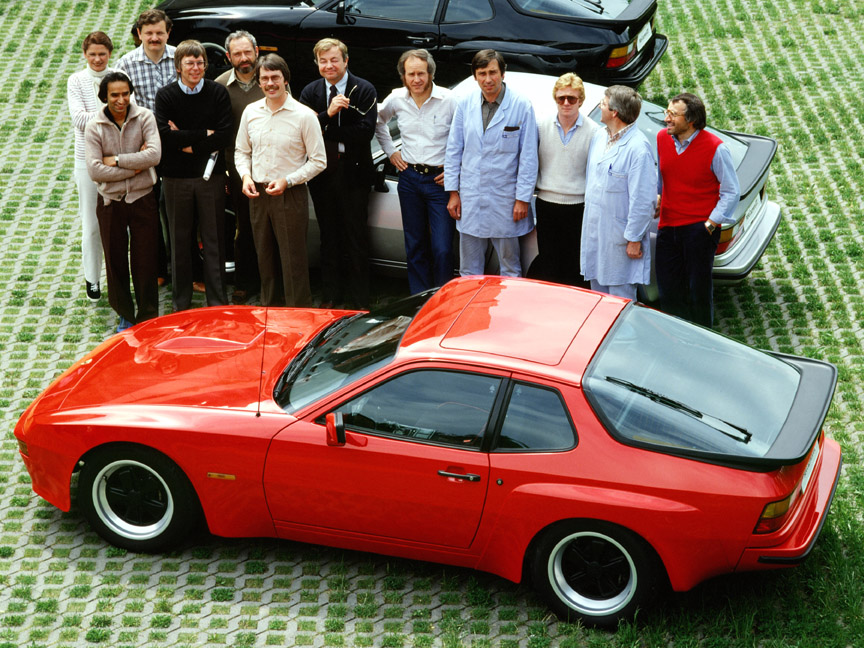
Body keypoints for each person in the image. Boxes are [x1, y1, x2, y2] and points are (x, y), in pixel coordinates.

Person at [235, 54, 326, 307]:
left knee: (293, 259)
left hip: (290, 194)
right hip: (258, 194)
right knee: (264, 257)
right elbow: (241, 151)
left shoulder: (304, 116)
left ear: (286, 79)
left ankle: (299, 310)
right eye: (264, 78)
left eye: (275, 77)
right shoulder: (251, 112)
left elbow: (319, 161)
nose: (270, 83)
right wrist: (245, 176)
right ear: (259, 82)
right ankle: (270, 310)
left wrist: (289, 180)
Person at [445, 49, 538, 278]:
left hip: (505, 200)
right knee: (469, 269)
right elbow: (454, 149)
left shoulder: (521, 106)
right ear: (475, 76)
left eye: (493, 72)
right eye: (482, 73)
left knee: (509, 266)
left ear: (503, 73)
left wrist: (522, 198)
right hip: (471, 197)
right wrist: (453, 193)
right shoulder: (465, 104)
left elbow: (528, 157)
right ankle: (472, 311)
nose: (488, 79)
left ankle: (508, 310)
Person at [299, 38, 377, 309]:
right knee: (328, 235)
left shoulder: (363, 89)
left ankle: (360, 300)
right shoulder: (310, 92)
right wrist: (328, 114)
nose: (329, 65)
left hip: (354, 172)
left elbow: (364, 133)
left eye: (334, 59)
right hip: (323, 173)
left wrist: (325, 129)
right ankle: (331, 296)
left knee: (355, 235)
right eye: (323, 61)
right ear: (317, 64)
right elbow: (303, 131)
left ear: (346, 61)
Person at [155, 40, 233, 311]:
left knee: (214, 240)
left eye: (200, 62)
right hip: (176, 178)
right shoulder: (165, 96)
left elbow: (224, 134)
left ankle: (217, 302)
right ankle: (181, 303)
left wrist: (186, 142)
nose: (196, 67)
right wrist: (203, 134)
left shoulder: (218, 93)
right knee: (179, 241)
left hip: (209, 178)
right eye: (189, 63)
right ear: (178, 67)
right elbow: (165, 137)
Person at [85, 72, 161, 332]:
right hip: (110, 202)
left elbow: (154, 154)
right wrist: (134, 167)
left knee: (146, 258)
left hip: (143, 198)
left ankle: (148, 313)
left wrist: (116, 160)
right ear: (104, 97)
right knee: (115, 258)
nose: (121, 100)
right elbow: (95, 170)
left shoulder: (145, 117)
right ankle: (125, 314)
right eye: (114, 95)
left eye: (125, 93)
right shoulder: (94, 126)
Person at [375, 49, 456, 294]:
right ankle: (419, 297)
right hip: (409, 179)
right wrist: (391, 151)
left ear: (430, 73)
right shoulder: (396, 98)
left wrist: (454, 170)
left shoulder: (449, 100)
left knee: (442, 247)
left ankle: (442, 298)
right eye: (411, 74)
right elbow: (377, 121)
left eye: (421, 73)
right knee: (415, 244)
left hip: (439, 182)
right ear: (403, 76)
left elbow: (464, 137)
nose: (416, 79)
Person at [656, 92, 740, 328]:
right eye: (667, 112)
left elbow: (731, 191)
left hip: (699, 230)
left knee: (698, 292)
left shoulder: (715, 148)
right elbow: (663, 176)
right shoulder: (662, 139)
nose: (666, 119)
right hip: (668, 226)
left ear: (691, 120)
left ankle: (703, 340)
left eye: (672, 114)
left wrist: (711, 223)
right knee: (668, 290)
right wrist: (659, 198)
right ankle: (676, 338)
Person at [116, 8, 176, 284]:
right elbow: (119, 106)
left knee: (177, 207)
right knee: (148, 209)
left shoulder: (179, 58)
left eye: (159, 33)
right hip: (143, 148)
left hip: (176, 145)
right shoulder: (125, 65)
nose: (154, 38)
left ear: (168, 32)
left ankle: (184, 267)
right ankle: (158, 269)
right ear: (139, 34)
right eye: (149, 33)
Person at [581, 85, 655, 300]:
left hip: (620, 240)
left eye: (603, 104)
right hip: (597, 232)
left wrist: (633, 239)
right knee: (598, 298)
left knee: (620, 301)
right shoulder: (600, 137)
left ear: (614, 112)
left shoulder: (638, 149)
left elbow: (643, 200)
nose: (599, 107)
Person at [534, 72, 598, 287]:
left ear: (581, 100)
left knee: (574, 267)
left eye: (572, 98)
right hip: (546, 205)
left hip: (578, 207)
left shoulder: (594, 132)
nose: (566, 103)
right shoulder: (541, 126)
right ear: (555, 99)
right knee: (549, 264)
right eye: (561, 98)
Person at [215, 30, 264, 305]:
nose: (244, 58)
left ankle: (272, 280)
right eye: (237, 54)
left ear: (256, 52)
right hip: (238, 168)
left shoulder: (271, 78)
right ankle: (245, 282)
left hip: (272, 164)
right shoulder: (221, 85)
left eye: (248, 52)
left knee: (270, 227)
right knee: (244, 226)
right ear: (228, 57)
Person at [68, 31, 117, 303]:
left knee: (120, 222)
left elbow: (127, 112)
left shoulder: (117, 75)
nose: (97, 59)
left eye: (102, 54)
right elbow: (79, 119)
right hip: (86, 159)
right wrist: (112, 113)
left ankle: (118, 277)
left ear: (109, 54)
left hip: (116, 158)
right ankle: (92, 279)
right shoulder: (76, 80)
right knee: (91, 223)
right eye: (92, 54)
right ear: (85, 55)